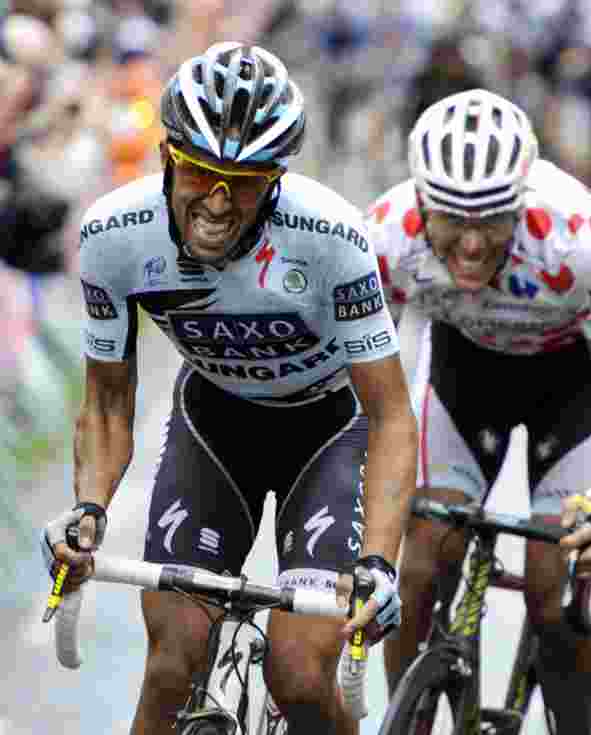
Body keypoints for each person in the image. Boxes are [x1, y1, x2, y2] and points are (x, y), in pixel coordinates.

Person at [39, 42, 418, 735]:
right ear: (166, 157)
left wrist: (378, 562)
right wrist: (88, 507)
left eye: (243, 181)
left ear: (275, 179)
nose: (218, 201)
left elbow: (392, 413)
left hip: (328, 431)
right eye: (201, 173)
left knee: (302, 676)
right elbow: (107, 400)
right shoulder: (114, 236)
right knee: (168, 665)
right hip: (214, 424)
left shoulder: (333, 236)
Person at [366, 88, 591, 734]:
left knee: (551, 591)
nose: (472, 245)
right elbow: (365, 386)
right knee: (418, 563)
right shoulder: (387, 236)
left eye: (493, 220)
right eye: (453, 220)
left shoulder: (580, 240)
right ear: (420, 201)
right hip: (465, 377)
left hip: (574, 388)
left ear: (523, 202)